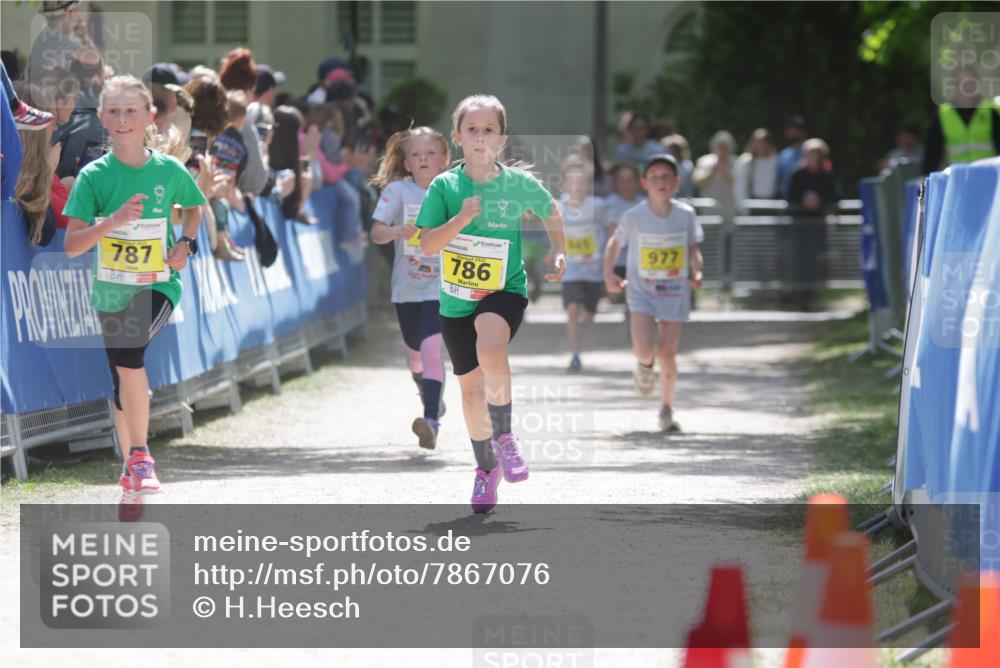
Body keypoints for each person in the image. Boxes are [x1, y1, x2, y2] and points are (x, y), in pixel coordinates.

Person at [416, 94, 566, 513]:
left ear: (502, 139)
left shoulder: (516, 185)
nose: (480, 137)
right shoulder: (445, 187)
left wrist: (559, 251)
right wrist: (460, 219)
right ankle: (486, 470)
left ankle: (505, 437)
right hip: (456, 302)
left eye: (489, 130)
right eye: (472, 129)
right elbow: (428, 245)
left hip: (504, 291)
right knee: (469, 395)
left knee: (491, 345)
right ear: (458, 137)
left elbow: (551, 210)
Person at [62, 75, 206, 507]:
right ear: (103, 117)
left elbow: (194, 207)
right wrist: (112, 222)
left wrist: (186, 243)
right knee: (121, 375)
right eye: (115, 111)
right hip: (111, 290)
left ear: (150, 117)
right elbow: (72, 246)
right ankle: (131, 468)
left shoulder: (168, 170)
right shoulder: (94, 177)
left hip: (159, 283)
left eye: (132, 111)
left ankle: (141, 457)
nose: (123, 119)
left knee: (129, 352)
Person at [603, 154, 703, 433]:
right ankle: (645, 365)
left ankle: (666, 409)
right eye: (654, 177)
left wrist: (697, 272)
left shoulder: (686, 214)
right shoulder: (634, 216)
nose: (661, 182)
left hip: (674, 291)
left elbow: (693, 249)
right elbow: (614, 244)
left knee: (668, 353)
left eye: (666, 177)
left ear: (676, 182)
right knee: (645, 348)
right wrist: (609, 274)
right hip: (641, 292)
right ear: (645, 183)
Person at [369, 127, 451, 449]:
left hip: (442, 287)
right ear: (406, 162)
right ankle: (425, 384)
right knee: (415, 355)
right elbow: (376, 233)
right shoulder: (398, 191)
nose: (423, 159)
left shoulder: (453, 190)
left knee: (432, 349)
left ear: (444, 159)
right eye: (416, 154)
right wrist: (395, 232)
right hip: (407, 287)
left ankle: (431, 419)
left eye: (430, 153)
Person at [558, 155, 607, 372]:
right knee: (572, 309)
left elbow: (608, 230)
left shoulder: (598, 205)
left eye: (581, 182)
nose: (577, 187)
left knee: (589, 314)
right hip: (571, 269)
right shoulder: (559, 206)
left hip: (593, 271)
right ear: (564, 185)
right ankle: (575, 355)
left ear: (588, 185)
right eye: (572, 182)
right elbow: (557, 234)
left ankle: (591, 311)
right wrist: (554, 252)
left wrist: (602, 253)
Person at [922, 68, 1000, 174]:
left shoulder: (990, 110)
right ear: (954, 86)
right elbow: (932, 154)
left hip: (990, 177)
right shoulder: (944, 114)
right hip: (959, 180)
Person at [603, 162, 645, 311]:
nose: (626, 185)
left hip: (640, 262)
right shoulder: (609, 204)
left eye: (630, 180)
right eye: (622, 181)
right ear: (615, 183)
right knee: (614, 302)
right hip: (617, 261)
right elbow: (615, 235)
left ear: (638, 182)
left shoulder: (644, 204)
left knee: (635, 306)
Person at [693, 130, 737, 222]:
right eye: (719, 146)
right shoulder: (704, 161)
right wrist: (711, 172)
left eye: (725, 147)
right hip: (709, 209)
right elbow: (697, 181)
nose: (722, 150)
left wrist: (724, 171)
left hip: (729, 209)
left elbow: (738, 183)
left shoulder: (737, 161)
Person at [733, 128, 779, 206]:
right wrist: (743, 206)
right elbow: (740, 186)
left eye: (765, 141)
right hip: (752, 203)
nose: (761, 145)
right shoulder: (746, 161)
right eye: (758, 142)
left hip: (772, 203)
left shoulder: (775, 161)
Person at [776, 115, 807, 199]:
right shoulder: (783, 154)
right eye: (788, 128)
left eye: (794, 129)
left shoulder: (810, 153)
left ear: (802, 131)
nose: (790, 131)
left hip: (808, 204)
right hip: (787, 203)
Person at [660, 134, 694, 198]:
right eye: (669, 149)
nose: (672, 152)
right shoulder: (660, 167)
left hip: (684, 200)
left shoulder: (687, 166)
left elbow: (680, 186)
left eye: (675, 149)